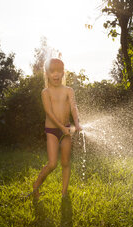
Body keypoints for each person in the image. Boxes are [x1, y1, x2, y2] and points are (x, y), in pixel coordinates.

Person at [33, 57, 82, 200]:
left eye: (59, 71)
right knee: (53, 163)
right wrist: (61, 127)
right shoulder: (45, 92)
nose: (55, 74)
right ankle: (36, 186)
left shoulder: (68, 90)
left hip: (66, 130)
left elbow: (74, 107)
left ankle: (64, 193)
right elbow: (49, 112)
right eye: (52, 71)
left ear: (63, 73)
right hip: (52, 131)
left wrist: (77, 124)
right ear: (47, 74)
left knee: (66, 162)